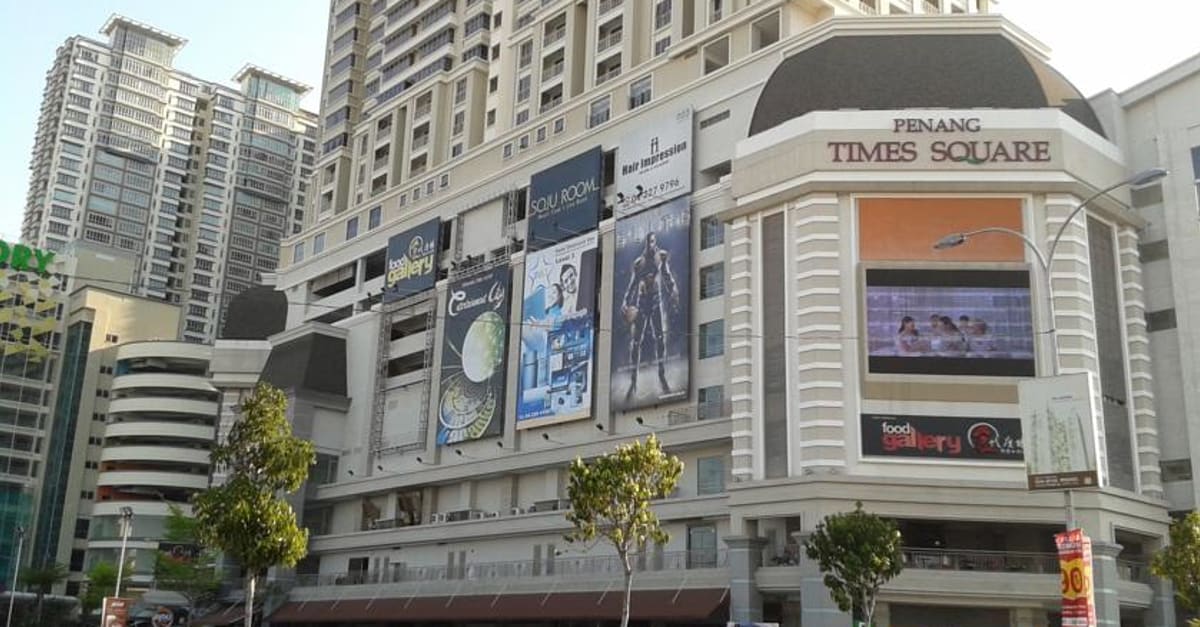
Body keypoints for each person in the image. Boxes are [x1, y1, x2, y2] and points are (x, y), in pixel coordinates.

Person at [621, 232, 679, 402]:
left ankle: (662, 374)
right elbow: (632, 285)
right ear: (645, 243)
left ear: (655, 242)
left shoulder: (661, 257)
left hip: (656, 302)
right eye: (648, 242)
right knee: (636, 342)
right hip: (641, 303)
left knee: (660, 338)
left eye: (652, 241)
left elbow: (667, 276)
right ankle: (633, 381)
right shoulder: (639, 263)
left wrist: (673, 291)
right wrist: (625, 301)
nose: (650, 244)